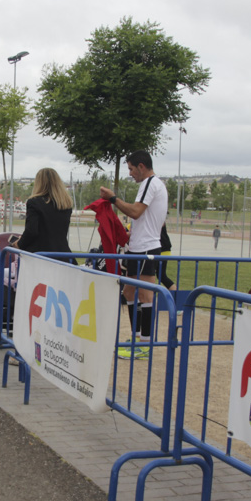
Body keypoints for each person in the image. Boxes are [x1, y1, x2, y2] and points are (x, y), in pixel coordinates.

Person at [99, 150, 168, 360]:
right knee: (129, 292)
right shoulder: (151, 185)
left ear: (141, 166)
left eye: (130, 168)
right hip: (138, 246)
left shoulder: (151, 183)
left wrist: (113, 199)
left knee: (146, 295)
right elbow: (143, 218)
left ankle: (144, 344)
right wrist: (129, 233)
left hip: (147, 248)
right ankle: (137, 337)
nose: (130, 173)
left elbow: (136, 212)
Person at [12, 168, 73, 256]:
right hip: (62, 254)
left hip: (40, 256)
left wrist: (19, 243)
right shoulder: (66, 204)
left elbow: (31, 231)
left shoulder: (34, 202)